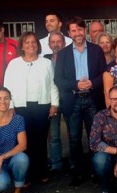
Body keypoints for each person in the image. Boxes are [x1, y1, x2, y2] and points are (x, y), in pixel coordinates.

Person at [54, 16, 107, 187]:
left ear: (85, 30)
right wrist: (76, 84)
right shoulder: (62, 54)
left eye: (80, 29)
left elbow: (103, 75)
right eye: (74, 30)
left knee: (95, 137)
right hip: (73, 99)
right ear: (69, 33)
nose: (77, 33)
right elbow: (58, 80)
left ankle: (96, 170)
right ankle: (79, 172)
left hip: (93, 98)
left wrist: (93, 82)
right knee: (75, 138)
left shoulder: (96, 50)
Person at [3, 31, 59, 185]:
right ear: (21, 45)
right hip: (20, 107)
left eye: (33, 42)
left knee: (40, 141)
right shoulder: (14, 63)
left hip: (42, 105)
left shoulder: (46, 63)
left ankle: (41, 172)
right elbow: (7, 86)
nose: (30, 45)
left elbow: (52, 84)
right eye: (27, 42)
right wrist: (10, 106)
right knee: (23, 141)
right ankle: (25, 175)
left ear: (38, 45)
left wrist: (54, 103)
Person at [43, 31, 68, 174]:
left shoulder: (69, 58)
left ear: (64, 43)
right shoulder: (45, 60)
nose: (56, 44)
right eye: (53, 42)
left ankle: (73, 162)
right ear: (49, 44)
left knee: (73, 133)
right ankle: (56, 164)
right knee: (53, 135)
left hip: (68, 99)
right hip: (52, 101)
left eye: (59, 41)